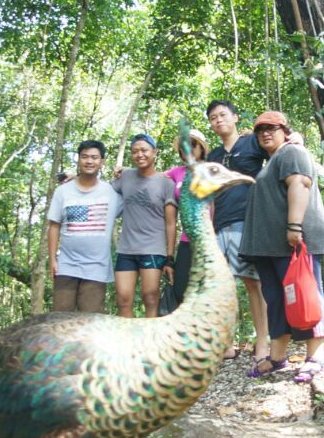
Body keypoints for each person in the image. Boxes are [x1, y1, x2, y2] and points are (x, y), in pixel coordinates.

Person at [239, 111, 324, 383]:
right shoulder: (273, 159)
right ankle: (278, 356)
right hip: (271, 245)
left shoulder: (292, 152)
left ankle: (315, 356)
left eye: (272, 128)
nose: (265, 133)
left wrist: (294, 227)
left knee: (305, 294)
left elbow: (299, 184)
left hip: (293, 241)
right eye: (260, 130)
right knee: (278, 300)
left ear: (285, 130)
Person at [205, 100, 270, 366]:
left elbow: (280, 150)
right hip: (220, 223)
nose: (218, 120)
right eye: (213, 118)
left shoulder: (252, 143)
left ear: (235, 117)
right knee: (223, 287)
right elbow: (208, 196)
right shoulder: (213, 156)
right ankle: (226, 343)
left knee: (254, 282)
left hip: (249, 221)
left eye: (222, 115)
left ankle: (263, 341)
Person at [46, 140, 121, 313]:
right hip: (66, 265)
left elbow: (136, 187)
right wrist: (52, 260)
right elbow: (54, 226)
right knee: (60, 317)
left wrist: (124, 172)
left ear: (101, 161)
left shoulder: (111, 192)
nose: (89, 161)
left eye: (94, 157)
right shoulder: (63, 191)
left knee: (91, 321)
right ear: (78, 159)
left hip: (96, 267)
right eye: (84, 157)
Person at [111, 133, 177, 318]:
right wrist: (75, 177)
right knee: (123, 299)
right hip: (126, 249)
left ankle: (150, 345)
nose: (139, 154)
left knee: (150, 298)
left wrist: (170, 257)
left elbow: (171, 223)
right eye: (135, 151)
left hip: (153, 249)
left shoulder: (166, 183)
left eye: (144, 150)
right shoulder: (125, 177)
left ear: (154, 152)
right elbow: (99, 191)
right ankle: (128, 344)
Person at [162, 128, 211, 308]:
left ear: (201, 148)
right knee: (181, 289)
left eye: (192, 144)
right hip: (186, 240)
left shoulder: (211, 169)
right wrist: (125, 170)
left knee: (207, 292)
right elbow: (149, 176)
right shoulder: (176, 172)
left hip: (209, 240)